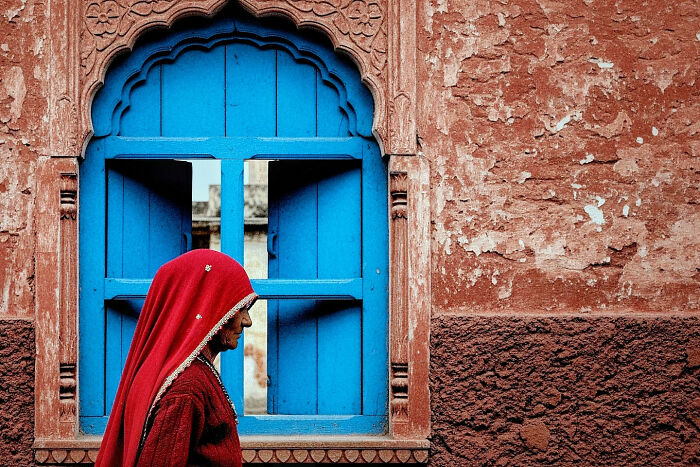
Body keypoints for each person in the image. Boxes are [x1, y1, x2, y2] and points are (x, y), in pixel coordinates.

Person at [96, 249, 257, 467]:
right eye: (239, 308)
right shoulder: (187, 387)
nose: (247, 321)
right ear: (209, 308)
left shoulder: (183, 375)